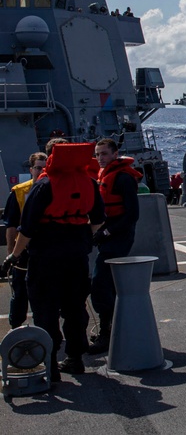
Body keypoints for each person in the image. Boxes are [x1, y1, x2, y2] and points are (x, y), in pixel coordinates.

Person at [1, 142, 104, 380]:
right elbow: (98, 222)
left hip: (45, 258)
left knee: (45, 311)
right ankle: (75, 358)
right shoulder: (89, 183)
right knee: (75, 308)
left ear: (51, 158)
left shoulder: (44, 186)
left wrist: (13, 256)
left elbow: (26, 228)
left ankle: (50, 362)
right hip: (77, 257)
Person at [88, 138, 141, 354]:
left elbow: (132, 215)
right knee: (108, 286)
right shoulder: (105, 175)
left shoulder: (123, 179)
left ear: (115, 154)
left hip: (119, 237)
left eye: (104, 154)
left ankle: (106, 334)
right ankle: (112, 329)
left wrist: (106, 232)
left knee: (100, 284)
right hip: (109, 235)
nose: (100, 158)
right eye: (97, 154)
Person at [2, 151, 47, 328]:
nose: (41, 171)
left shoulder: (54, 190)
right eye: (37, 168)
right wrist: (12, 253)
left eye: (44, 168)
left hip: (47, 250)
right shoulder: (20, 192)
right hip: (24, 252)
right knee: (20, 292)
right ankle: (16, 329)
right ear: (31, 169)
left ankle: (44, 330)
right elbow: (11, 225)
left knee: (43, 294)